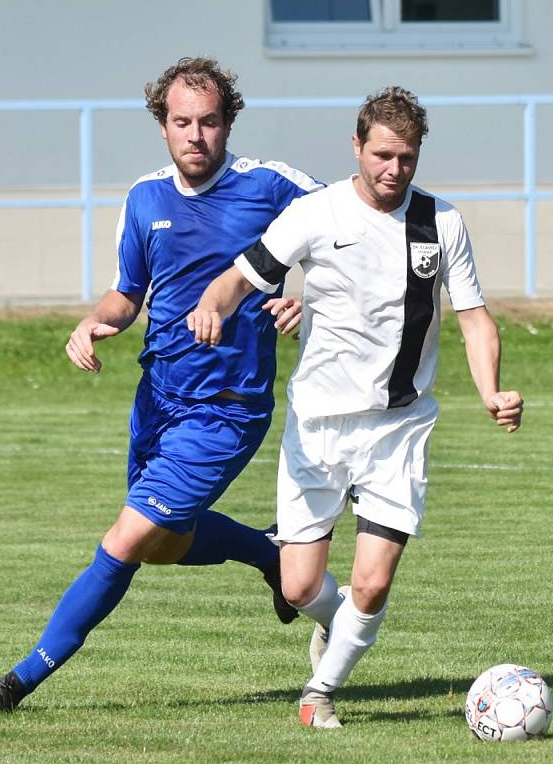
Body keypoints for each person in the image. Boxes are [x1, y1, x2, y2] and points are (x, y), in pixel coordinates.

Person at [0, 57, 323, 714]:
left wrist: (310, 300)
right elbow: (127, 294)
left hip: (226, 410)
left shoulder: (271, 185)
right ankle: (268, 553)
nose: (195, 135)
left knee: (124, 540)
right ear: (161, 126)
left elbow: (354, 232)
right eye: (181, 122)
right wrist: (95, 321)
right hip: (157, 401)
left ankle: (18, 682)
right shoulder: (145, 197)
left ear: (228, 122)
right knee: (162, 546)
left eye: (208, 122)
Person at [188, 86, 524, 729]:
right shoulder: (315, 215)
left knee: (373, 583)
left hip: (400, 426)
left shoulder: (440, 222)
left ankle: (320, 694)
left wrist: (491, 391)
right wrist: (213, 305)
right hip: (316, 426)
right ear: (356, 147)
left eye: (407, 157)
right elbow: (241, 276)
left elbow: (475, 320)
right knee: (297, 587)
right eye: (382, 155)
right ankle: (335, 623)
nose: (394, 170)